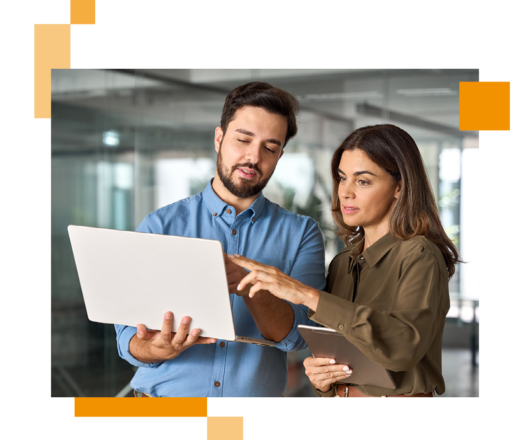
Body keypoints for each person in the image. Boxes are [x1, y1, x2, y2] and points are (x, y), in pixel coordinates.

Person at [114, 82, 326, 398]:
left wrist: (250, 282)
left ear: (280, 155)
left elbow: (298, 337)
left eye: (269, 148)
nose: (253, 157)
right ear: (219, 138)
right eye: (243, 140)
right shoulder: (160, 225)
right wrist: (156, 348)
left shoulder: (302, 234)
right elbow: (127, 338)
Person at [230, 124, 461, 398]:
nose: (345, 192)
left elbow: (402, 349)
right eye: (342, 178)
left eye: (363, 181)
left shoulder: (420, 255)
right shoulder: (342, 264)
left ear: (399, 187)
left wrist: (307, 295)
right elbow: (340, 361)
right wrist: (322, 379)